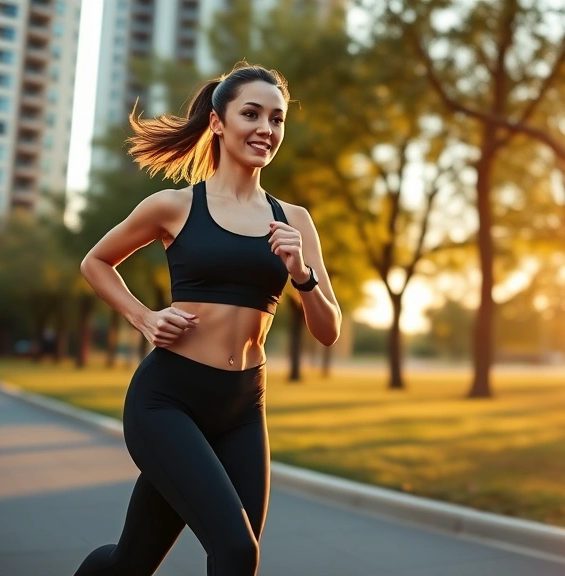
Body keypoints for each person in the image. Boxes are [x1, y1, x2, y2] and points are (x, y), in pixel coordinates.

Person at [74, 63, 342, 576]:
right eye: (252, 113)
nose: (267, 128)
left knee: (135, 563)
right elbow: (95, 262)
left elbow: (328, 330)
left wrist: (301, 274)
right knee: (237, 550)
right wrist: (143, 318)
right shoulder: (174, 206)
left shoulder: (295, 220)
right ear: (218, 123)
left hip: (243, 407)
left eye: (277, 118)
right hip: (168, 401)